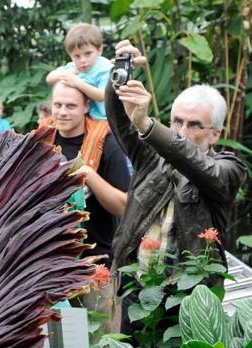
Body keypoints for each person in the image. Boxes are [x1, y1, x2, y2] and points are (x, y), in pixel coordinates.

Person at [105, 40, 247, 332]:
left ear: (215, 134)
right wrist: (118, 73)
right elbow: (119, 120)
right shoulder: (150, 156)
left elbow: (198, 167)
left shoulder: (229, 169)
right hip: (138, 288)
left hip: (190, 296)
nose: (182, 131)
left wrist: (148, 125)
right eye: (177, 121)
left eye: (194, 125)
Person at [46, 82, 130, 266]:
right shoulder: (42, 141)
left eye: (71, 106)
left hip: (96, 257)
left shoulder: (107, 143)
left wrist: (88, 174)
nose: (62, 112)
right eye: (57, 105)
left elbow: (124, 206)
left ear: (86, 107)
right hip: (48, 257)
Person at [46, 23, 111, 120]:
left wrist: (77, 82)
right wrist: (70, 72)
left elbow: (103, 95)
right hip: (86, 118)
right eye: (77, 56)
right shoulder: (74, 67)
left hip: (107, 119)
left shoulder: (104, 68)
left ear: (99, 50)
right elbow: (49, 78)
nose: (82, 60)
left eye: (88, 54)